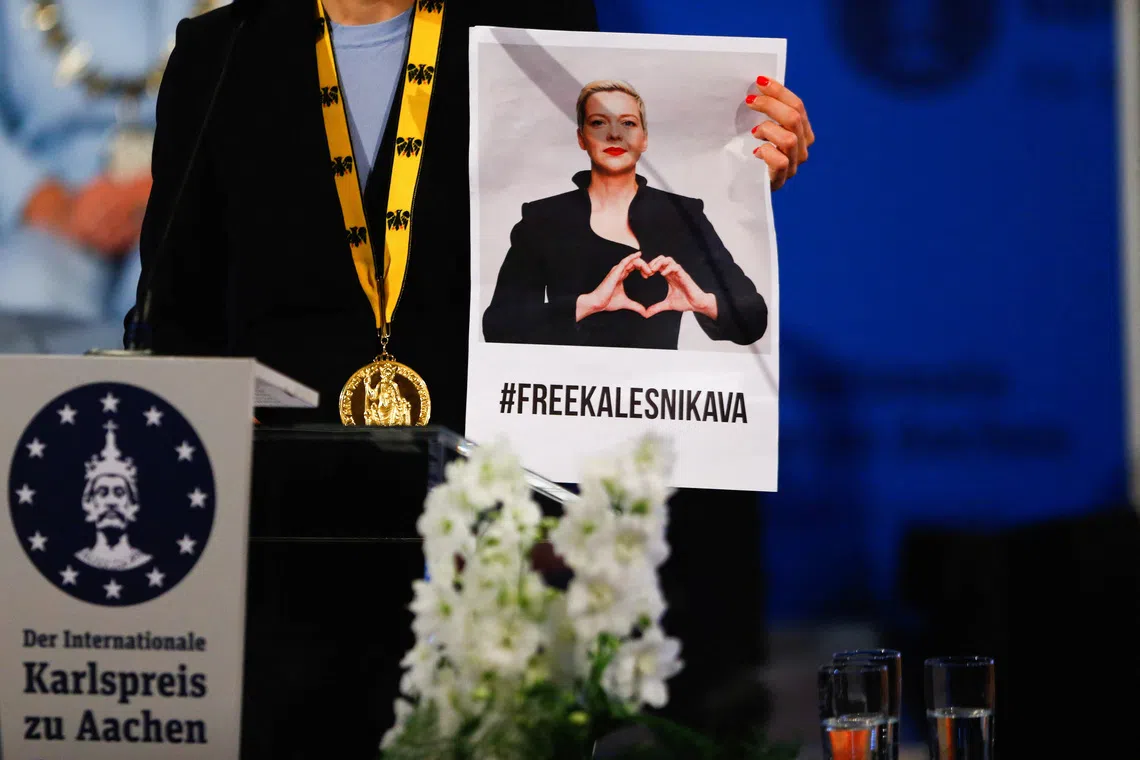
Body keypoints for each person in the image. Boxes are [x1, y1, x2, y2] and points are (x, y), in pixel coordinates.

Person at [131, 0, 816, 754]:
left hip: (495, 542)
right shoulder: (224, 48)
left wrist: (739, 170)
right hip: (287, 556)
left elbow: (628, 199)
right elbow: (175, 309)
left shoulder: (532, 27)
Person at [0, 0, 222, 354]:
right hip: (50, 206)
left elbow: (269, 99)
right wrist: (36, 195)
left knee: (196, 296)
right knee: (21, 298)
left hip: (195, 202)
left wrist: (171, 189)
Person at [483, 80, 768, 350]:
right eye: (598, 123)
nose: (615, 134)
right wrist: (588, 304)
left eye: (628, 123)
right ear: (582, 138)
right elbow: (498, 326)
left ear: (644, 139)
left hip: (657, 395)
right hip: (567, 393)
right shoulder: (542, 218)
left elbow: (753, 319)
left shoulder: (683, 215)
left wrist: (705, 302)